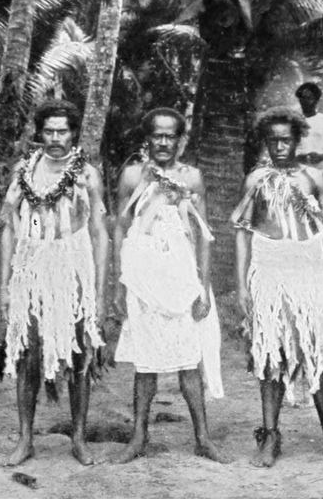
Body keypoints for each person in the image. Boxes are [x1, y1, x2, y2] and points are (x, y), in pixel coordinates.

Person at [232, 107, 323, 468]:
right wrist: (242, 285)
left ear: (298, 139)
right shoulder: (256, 180)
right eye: (273, 141)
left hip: (308, 268)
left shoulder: (314, 177)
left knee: (319, 352)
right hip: (269, 267)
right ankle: (270, 435)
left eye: (286, 140)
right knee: (270, 352)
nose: (280, 147)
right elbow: (242, 233)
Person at [109, 108, 227, 464]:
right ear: (147, 138)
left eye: (169, 136)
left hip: (181, 275)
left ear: (180, 140)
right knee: (145, 362)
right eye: (156, 135)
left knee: (189, 359)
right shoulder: (133, 175)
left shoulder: (191, 178)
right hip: (143, 275)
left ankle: (203, 438)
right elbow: (120, 228)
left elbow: (204, 235)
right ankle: (138, 437)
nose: (163, 142)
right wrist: (120, 284)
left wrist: (203, 287)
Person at [0, 100, 108, 466]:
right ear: (39, 133)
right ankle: (25, 438)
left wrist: (98, 292)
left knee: (78, 351)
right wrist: (4, 286)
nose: (56, 138)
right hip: (30, 265)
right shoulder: (24, 171)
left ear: (74, 133)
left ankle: (78, 437)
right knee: (28, 351)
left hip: (72, 264)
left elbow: (99, 232)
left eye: (63, 131)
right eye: (49, 131)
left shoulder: (87, 174)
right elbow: (8, 228)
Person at [294, 83, 323, 194]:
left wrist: (321, 157)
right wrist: (301, 157)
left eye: (309, 98)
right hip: (301, 169)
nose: (305, 102)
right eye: (302, 98)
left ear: (316, 100)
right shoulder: (294, 121)